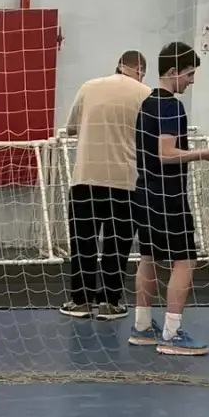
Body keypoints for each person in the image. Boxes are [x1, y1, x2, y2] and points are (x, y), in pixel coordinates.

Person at [130, 41, 209, 357]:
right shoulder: (172, 106)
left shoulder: (147, 103)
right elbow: (166, 153)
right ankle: (172, 334)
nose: (191, 80)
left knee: (149, 257)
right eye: (189, 74)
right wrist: (206, 154)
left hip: (144, 192)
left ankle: (142, 327)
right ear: (173, 72)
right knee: (185, 260)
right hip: (167, 195)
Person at [61, 50, 150, 319]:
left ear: (118, 66)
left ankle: (80, 301)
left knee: (83, 243)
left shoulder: (89, 87)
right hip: (125, 181)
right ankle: (110, 303)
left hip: (86, 178)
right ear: (140, 71)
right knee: (117, 245)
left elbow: (71, 128)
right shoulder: (146, 94)